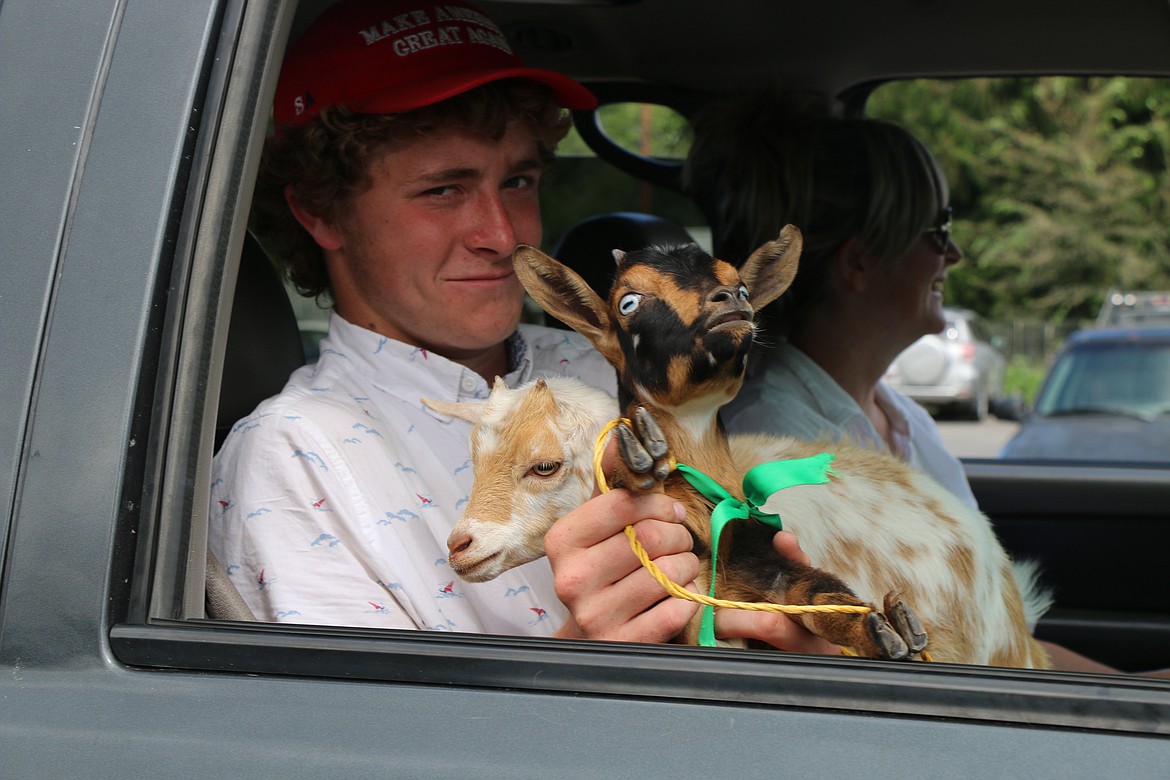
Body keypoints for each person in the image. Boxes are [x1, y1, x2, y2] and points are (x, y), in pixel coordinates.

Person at [211, 0, 833, 654]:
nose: (504, 236)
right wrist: (582, 657)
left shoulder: (605, 363)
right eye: (443, 191)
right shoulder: (295, 457)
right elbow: (363, 745)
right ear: (320, 211)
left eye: (519, 181)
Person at [685, 92, 1170, 676]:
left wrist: (1137, 691)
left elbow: (995, 639)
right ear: (859, 262)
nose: (956, 254)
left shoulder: (902, 420)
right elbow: (902, 672)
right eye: (937, 230)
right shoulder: (774, 447)